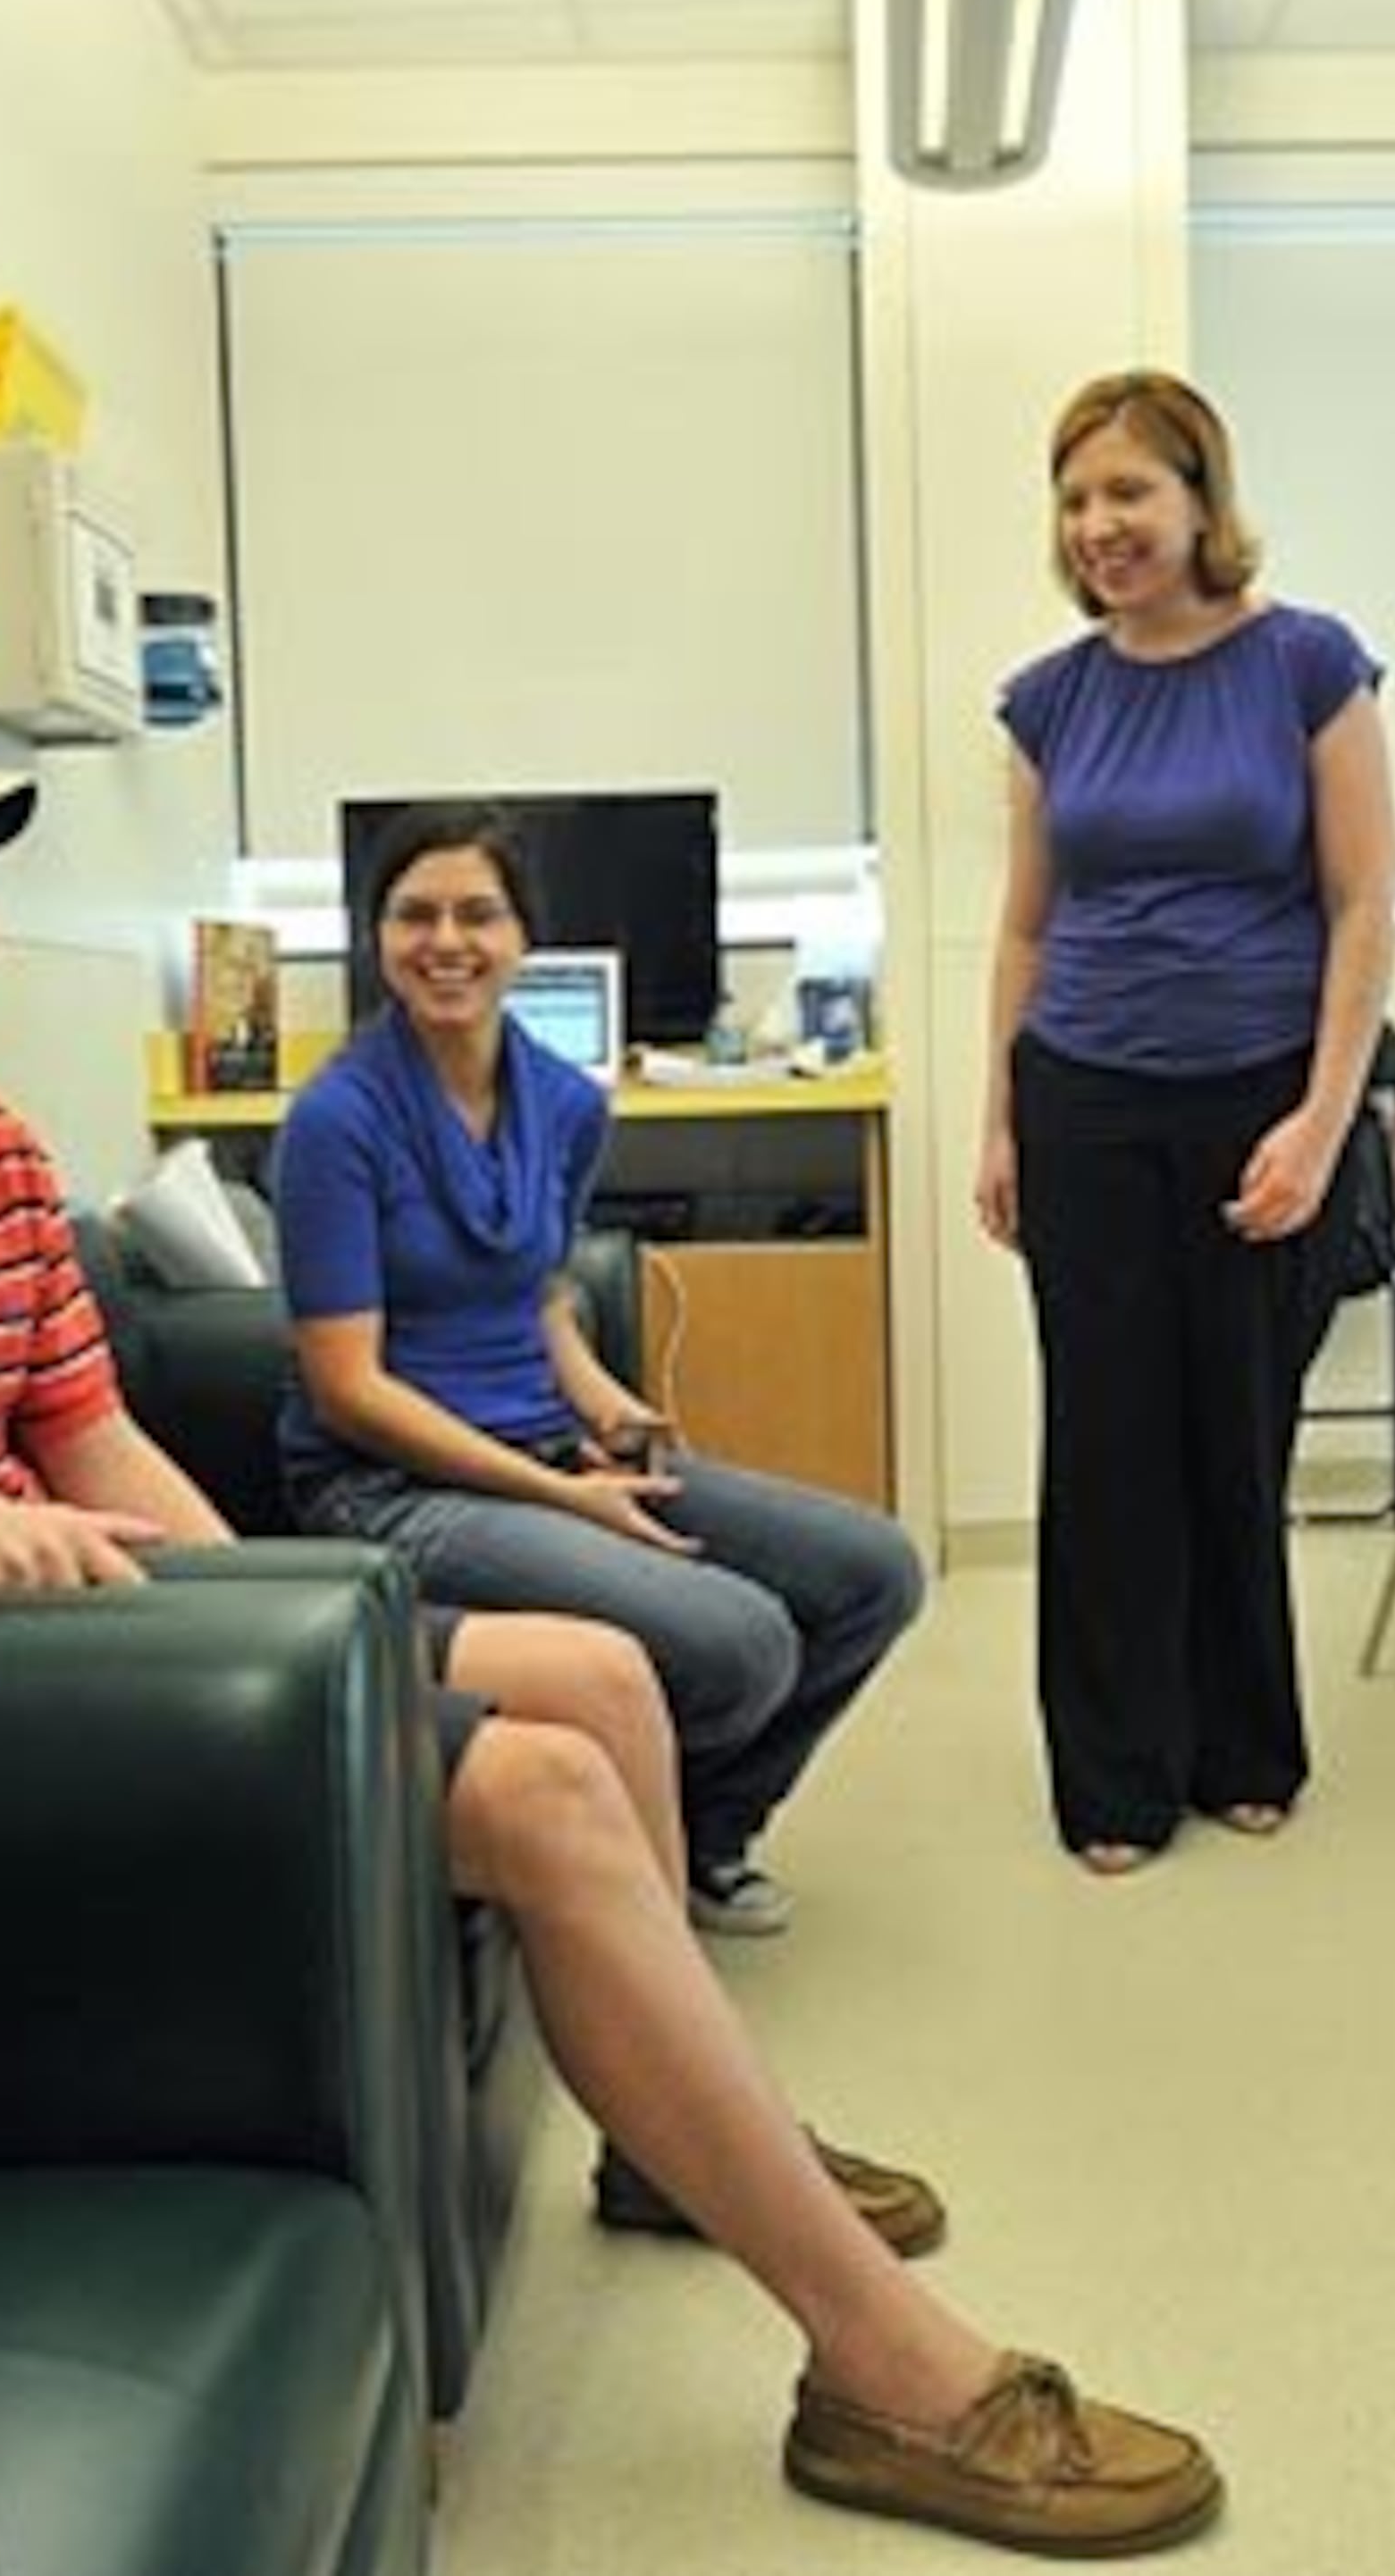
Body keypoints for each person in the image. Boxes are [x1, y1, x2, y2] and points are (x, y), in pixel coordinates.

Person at [0, 702, 1222, 2556]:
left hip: (80, 1658)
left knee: (596, 1675)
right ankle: (881, 2366)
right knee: (553, 1798)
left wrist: (257, 1626)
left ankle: (677, 2139)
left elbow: (87, 1429)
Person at [265, 801, 928, 1940]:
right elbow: (348, 1388)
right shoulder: (336, 1118)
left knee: (873, 1569)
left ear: (526, 938)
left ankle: (710, 1831)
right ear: (376, 937)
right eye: (414, 914)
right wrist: (564, 1497)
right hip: (388, 1487)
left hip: (549, 1446)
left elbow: (540, 1291)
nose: (446, 940)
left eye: (479, 912)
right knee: (741, 1641)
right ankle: (621, 1856)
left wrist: (606, 1407)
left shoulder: (567, 1101)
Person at [974, 369, 1395, 1874]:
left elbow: (1362, 907)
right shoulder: (1048, 698)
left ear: (1203, 503)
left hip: (1258, 1095)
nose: (1102, 524)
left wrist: (1322, 1119)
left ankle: (1242, 1740)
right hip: (1081, 1092)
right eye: (1079, 497)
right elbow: (1026, 928)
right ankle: (1112, 1775)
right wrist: (999, 1123)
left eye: (1131, 493)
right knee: (1103, 1443)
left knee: (1235, 1429)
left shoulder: (1306, 665)